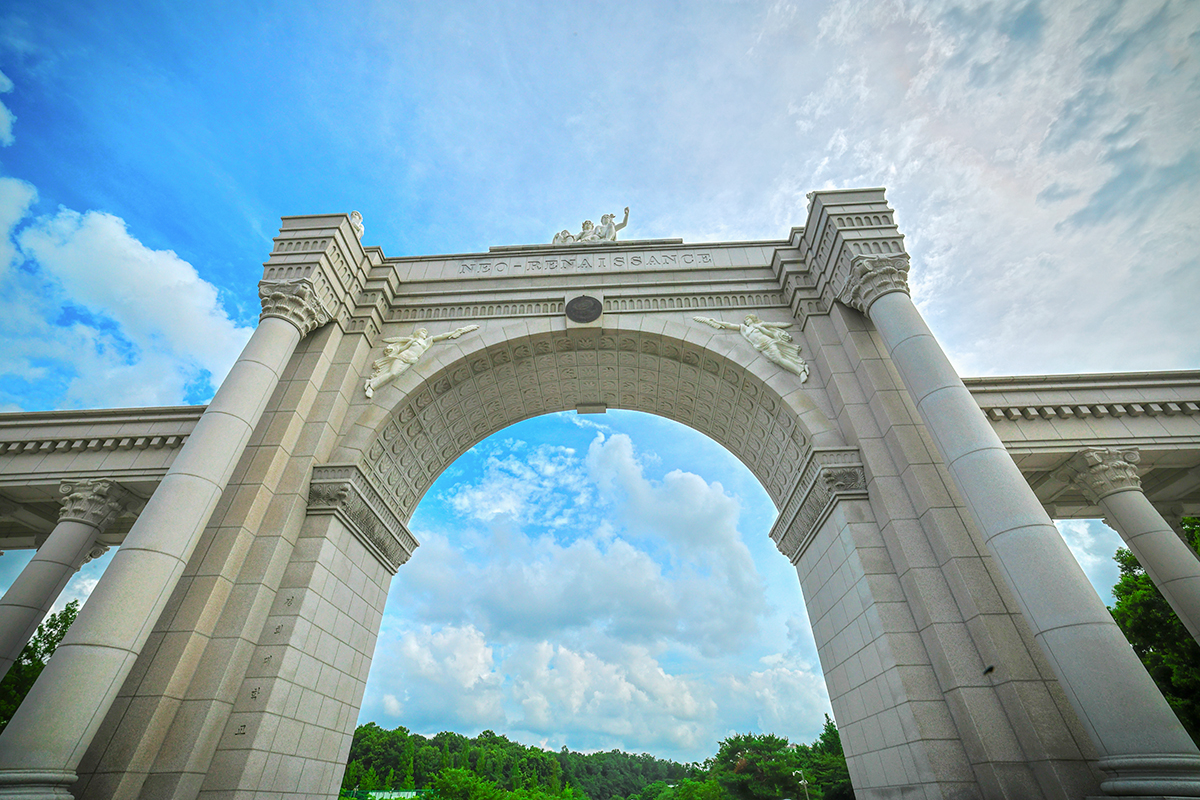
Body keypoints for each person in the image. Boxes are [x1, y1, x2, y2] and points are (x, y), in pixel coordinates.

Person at [364, 324, 479, 398]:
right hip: (403, 357)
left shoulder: (427, 342)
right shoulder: (412, 340)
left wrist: (456, 331)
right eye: (423, 332)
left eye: (425, 332)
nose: (425, 333)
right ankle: (372, 385)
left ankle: (372, 384)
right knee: (393, 373)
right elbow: (401, 349)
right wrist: (393, 350)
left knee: (394, 375)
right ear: (418, 333)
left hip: (411, 360)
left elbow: (442, 336)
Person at [692, 314, 809, 381]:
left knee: (779, 359)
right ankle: (799, 370)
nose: (746, 320)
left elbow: (774, 328)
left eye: (748, 319)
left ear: (753, 319)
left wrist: (763, 329)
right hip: (761, 348)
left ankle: (800, 372)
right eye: (746, 319)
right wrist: (717, 321)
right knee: (776, 360)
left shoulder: (759, 325)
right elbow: (730, 325)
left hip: (769, 343)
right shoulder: (743, 328)